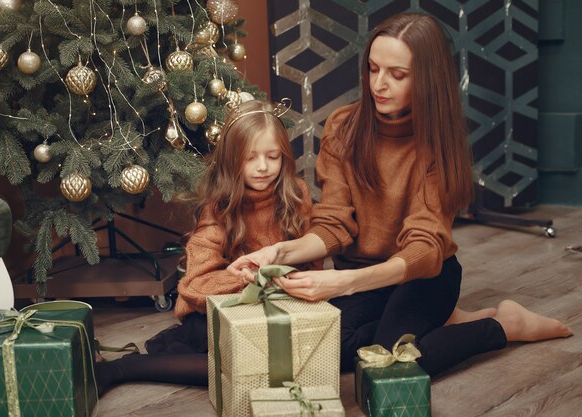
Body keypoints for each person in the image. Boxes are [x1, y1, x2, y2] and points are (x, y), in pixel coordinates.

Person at [228, 12, 572, 375]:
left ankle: (505, 325)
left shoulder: (438, 143)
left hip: (422, 277)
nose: (379, 84)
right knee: (328, 351)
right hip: (362, 277)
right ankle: (440, 322)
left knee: (391, 364)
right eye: (373, 69)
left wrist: (343, 284)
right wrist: (279, 250)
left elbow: (424, 251)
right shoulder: (343, 126)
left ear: (425, 79)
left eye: (397, 74)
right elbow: (333, 224)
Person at [94, 99, 319, 395]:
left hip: (276, 310)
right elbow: (194, 286)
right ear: (230, 160)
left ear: (285, 157)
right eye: (249, 158)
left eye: (273, 156)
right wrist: (242, 278)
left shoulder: (296, 194)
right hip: (220, 313)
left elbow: (312, 264)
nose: (263, 167)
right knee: (237, 362)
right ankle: (124, 368)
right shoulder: (220, 207)